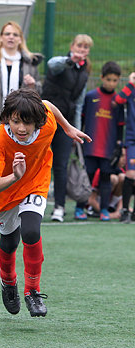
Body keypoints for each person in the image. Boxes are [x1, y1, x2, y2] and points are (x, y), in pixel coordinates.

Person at [0, 88, 91, 317]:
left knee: (31, 232)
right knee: (9, 243)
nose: (21, 128)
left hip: (36, 183)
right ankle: (8, 282)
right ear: (7, 118)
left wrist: (67, 127)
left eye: (28, 123)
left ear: (38, 121)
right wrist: (15, 176)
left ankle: (32, 291)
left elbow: (48, 104)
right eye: (15, 121)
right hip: (6, 191)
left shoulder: (48, 123)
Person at [41, 34, 93, 222]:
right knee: (38, 162)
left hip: (65, 125)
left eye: (86, 48)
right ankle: (31, 202)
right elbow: (52, 64)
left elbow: (79, 105)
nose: (82, 50)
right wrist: (70, 60)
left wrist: (75, 130)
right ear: (72, 46)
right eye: (79, 45)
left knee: (61, 166)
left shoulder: (84, 73)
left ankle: (60, 207)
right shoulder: (61, 64)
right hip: (44, 120)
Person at [74, 61, 124, 221]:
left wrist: (118, 145)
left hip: (108, 148)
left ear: (118, 81)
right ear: (102, 77)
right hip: (90, 146)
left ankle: (103, 210)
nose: (111, 83)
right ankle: (79, 208)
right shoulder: (91, 97)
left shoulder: (118, 101)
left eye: (115, 80)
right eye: (108, 79)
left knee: (105, 178)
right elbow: (81, 121)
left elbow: (120, 126)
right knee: (86, 178)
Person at [0, 21, 43, 119]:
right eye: (7, 34)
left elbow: (38, 94)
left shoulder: (29, 63)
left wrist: (32, 85)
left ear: (20, 40)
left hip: (20, 117)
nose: (11, 37)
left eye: (15, 35)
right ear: (1, 38)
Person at [114, 71, 135, 223]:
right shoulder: (131, 89)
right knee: (130, 174)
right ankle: (126, 210)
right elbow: (118, 99)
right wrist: (131, 83)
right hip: (132, 139)